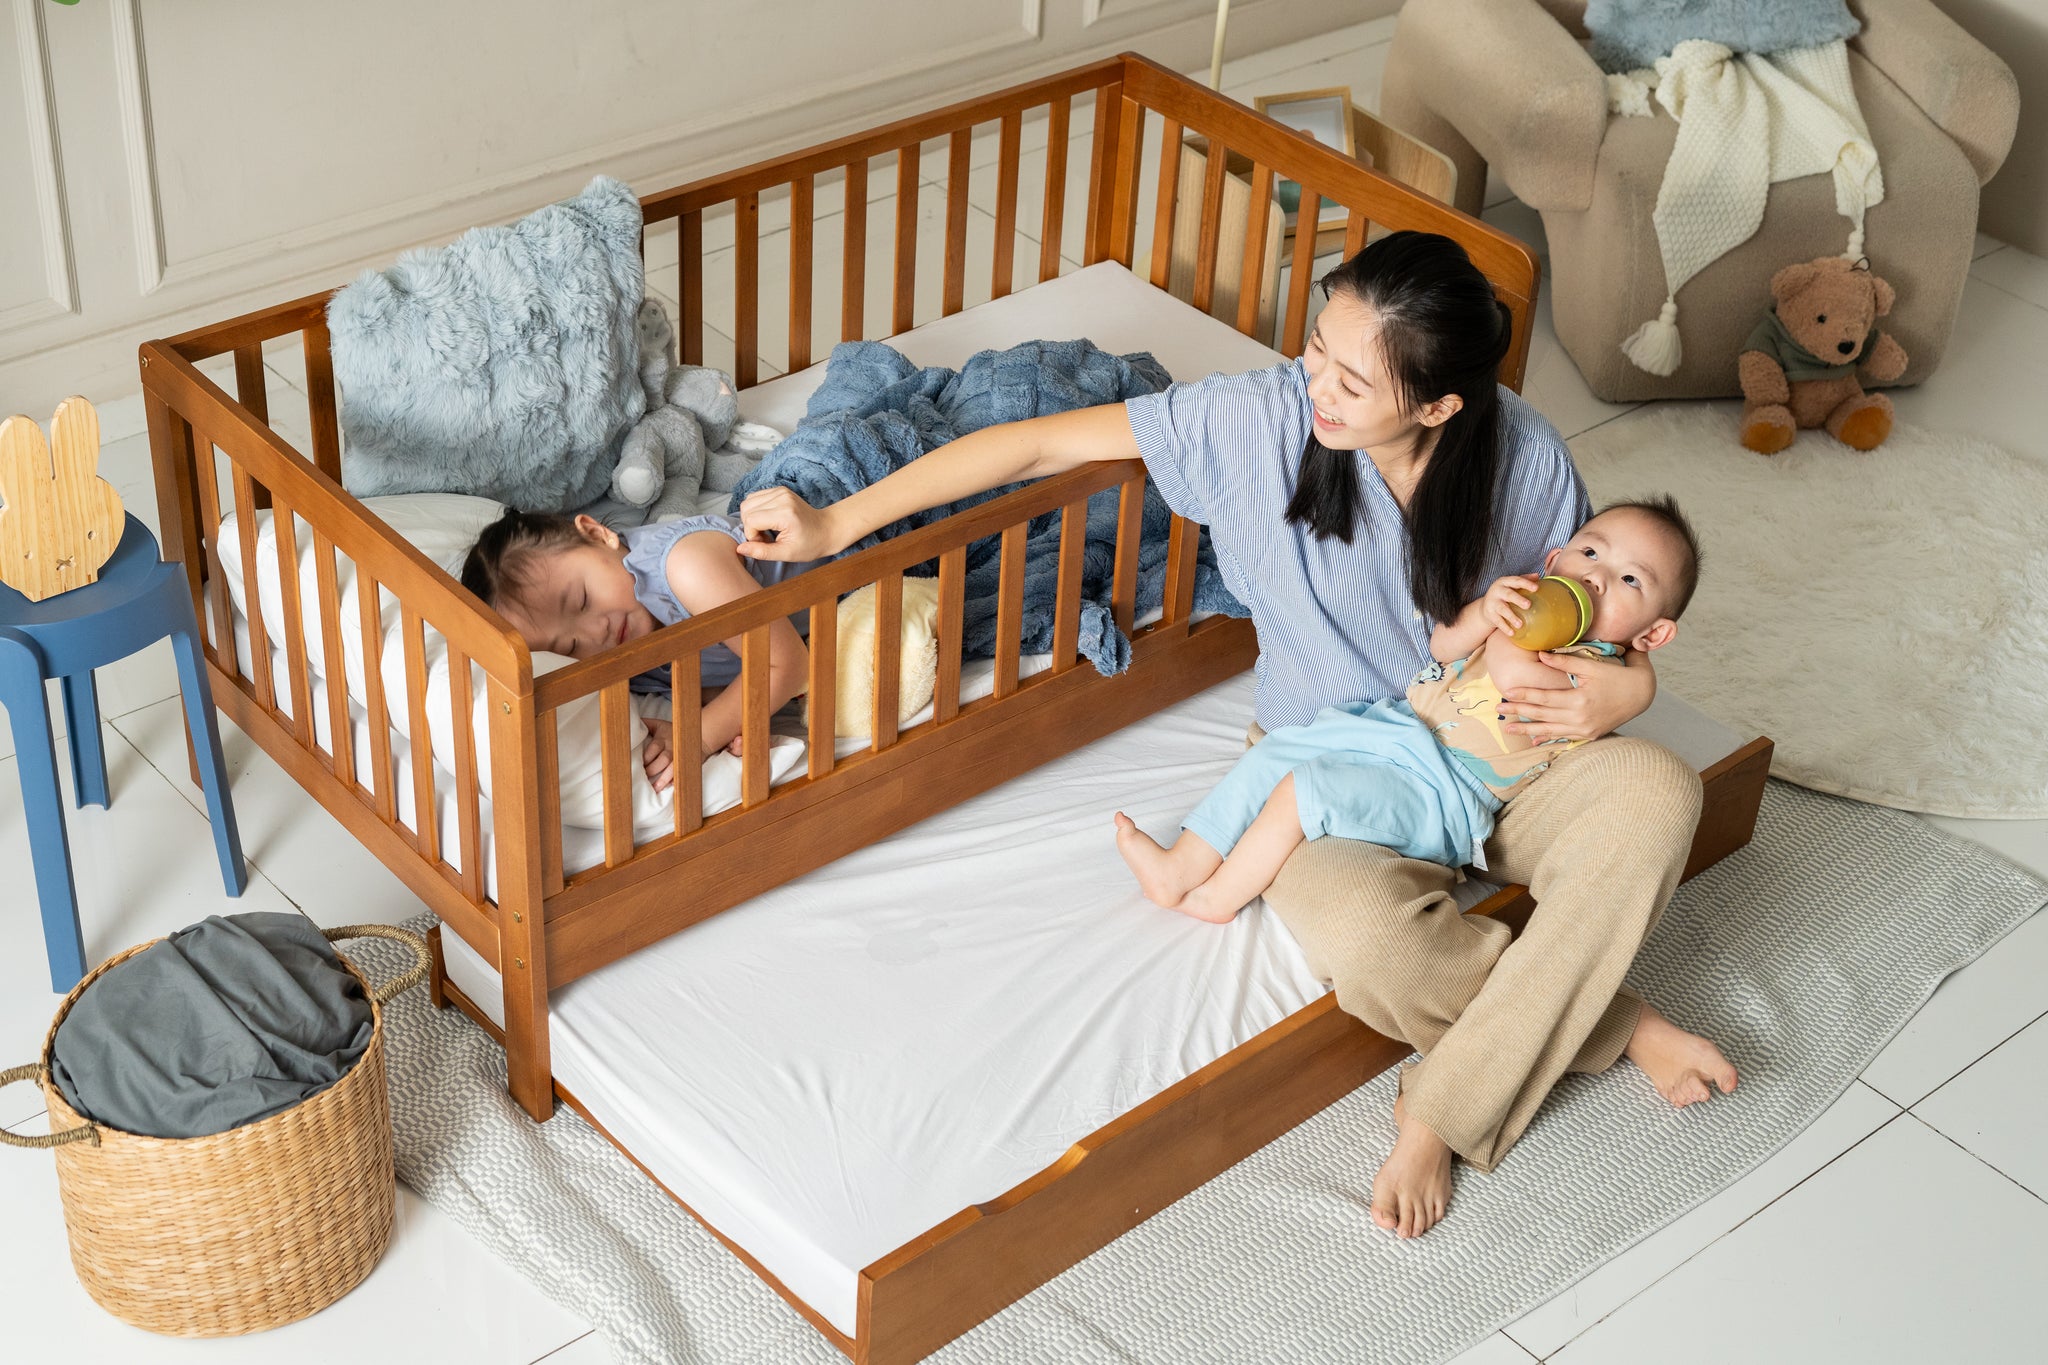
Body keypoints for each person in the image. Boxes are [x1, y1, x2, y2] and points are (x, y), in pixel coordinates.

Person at [734, 230, 1737, 1240]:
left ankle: (1445, 1101)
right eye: (1317, 347)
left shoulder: (1524, 456)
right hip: (1330, 771)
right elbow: (1040, 445)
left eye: (1353, 380)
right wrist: (835, 525)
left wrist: (1626, 693)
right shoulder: (1255, 421)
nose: (1317, 385)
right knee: (1378, 944)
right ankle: (1604, 1029)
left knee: (1660, 791)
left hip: (1499, 757)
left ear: (1439, 405)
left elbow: (1592, 614)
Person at [1114, 499, 1701, 926]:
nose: (1595, 577)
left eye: (1629, 579)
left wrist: (1517, 628)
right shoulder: (1518, 604)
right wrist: (1484, 611)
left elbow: (1516, 677)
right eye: (1590, 552)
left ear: (1653, 633)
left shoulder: (1598, 671)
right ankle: (1181, 865)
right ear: (1555, 559)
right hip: (1397, 731)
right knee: (1280, 749)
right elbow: (1443, 646)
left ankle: (1217, 899)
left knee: (1303, 791)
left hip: (1446, 794)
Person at [460, 509, 817, 792]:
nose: (596, 632)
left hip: (838, 544)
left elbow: (785, 664)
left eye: (582, 599)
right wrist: (736, 723)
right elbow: (728, 675)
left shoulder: (685, 567)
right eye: (570, 647)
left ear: (597, 534)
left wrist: (701, 735)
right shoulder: (627, 660)